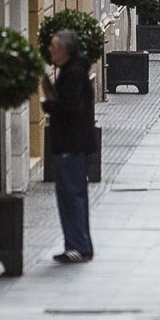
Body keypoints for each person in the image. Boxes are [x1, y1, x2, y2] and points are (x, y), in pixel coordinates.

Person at [41, 30, 95, 264]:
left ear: (66, 50)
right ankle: (77, 244)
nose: (50, 50)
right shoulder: (72, 71)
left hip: (72, 145)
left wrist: (49, 107)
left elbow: (67, 106)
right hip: (73, 144)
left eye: (54, 46)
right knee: (73, 195)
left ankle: (79, 246)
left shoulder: (73, 74)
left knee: (71, 195)